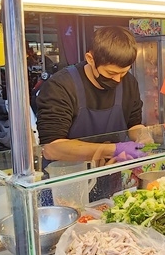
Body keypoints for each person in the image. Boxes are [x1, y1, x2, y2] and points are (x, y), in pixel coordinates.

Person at [35, 26, 151, 164]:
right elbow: (52, 148)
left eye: (124, 72)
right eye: (111, 73)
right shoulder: (60, 86)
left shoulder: (129, 83)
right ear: (90, 59)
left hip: (112, 172)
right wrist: (114, 149)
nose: (118, 80)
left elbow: (134, 124)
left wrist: (143, 136)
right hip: (69, 177)